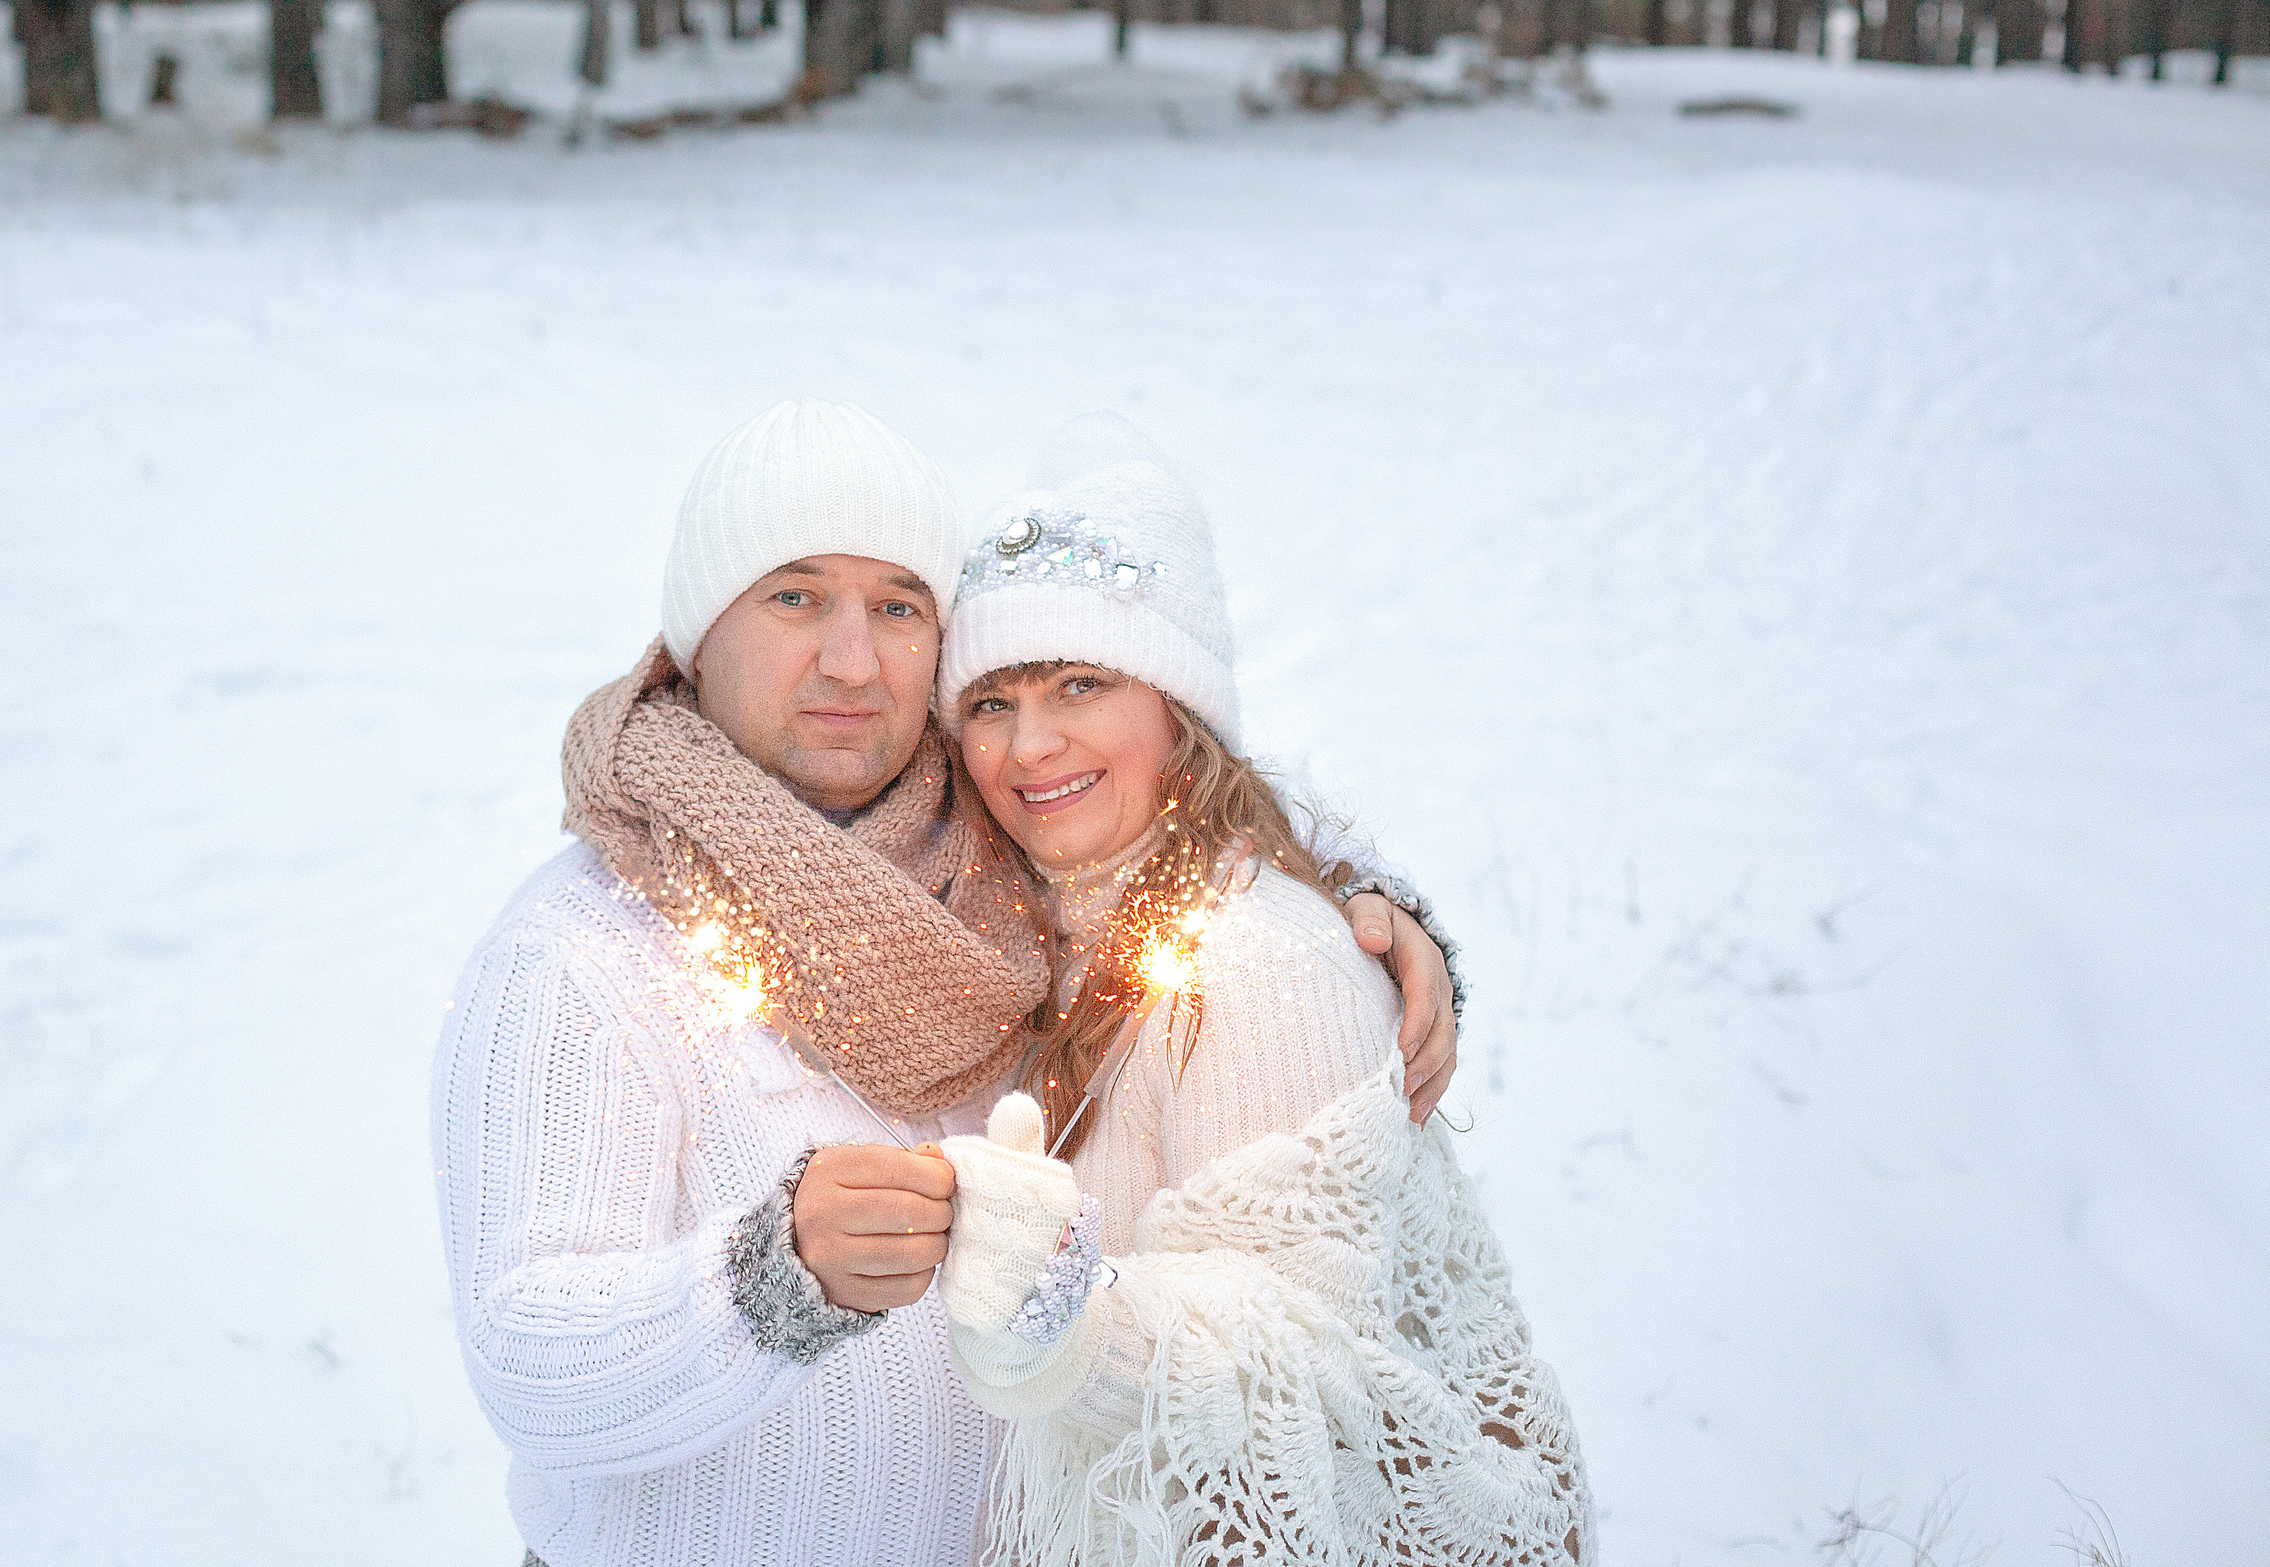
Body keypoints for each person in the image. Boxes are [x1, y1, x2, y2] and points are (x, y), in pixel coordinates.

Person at [431, 398, 1462, 1567]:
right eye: (794, 596)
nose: (851, 661)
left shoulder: (990, 851)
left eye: (898, 607)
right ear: (694, 639)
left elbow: (1170, 808)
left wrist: (1360, 915)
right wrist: (767, 1283)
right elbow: (526, 1364)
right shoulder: (582, 949)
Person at [933, 426, 1594, 1565]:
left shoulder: (1260, 962)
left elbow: (1296, 1379)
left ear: (1177, 712)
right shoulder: (1023, 922)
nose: (1029, 746)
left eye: (1079, 684)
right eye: (991, 702)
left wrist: (1060, 1325)